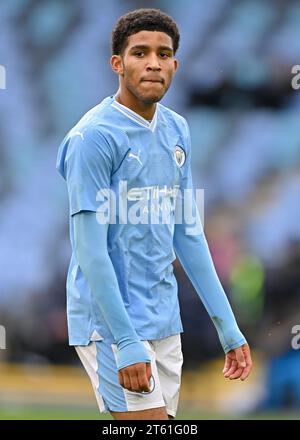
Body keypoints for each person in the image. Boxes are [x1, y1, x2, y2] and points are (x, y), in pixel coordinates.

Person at [56, 8, 252, 420]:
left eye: (164, 54)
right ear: (117, 64)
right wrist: (125, 340)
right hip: (112, 322)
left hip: (165, 318)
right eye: (140, 53)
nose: (153, 63)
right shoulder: (92, 138)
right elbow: (89, 249)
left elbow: (189, 234)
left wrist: (228, 328)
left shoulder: (177, 129)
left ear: (175, 65)